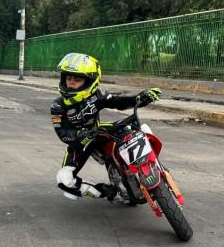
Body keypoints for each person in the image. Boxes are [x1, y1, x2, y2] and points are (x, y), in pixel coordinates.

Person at [51, 53, 162, 200]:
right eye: (68, 78)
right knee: (64, 181)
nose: (71, 82)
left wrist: (140, 98)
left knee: (137, 130)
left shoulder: (98, 95)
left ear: (90, 81)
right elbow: (62, 133)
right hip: (79, 143)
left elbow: (118, 102)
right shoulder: (57, 106)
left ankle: (155, 166)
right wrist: (78, 135)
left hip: (100, 131)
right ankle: (103, 191)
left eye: (77, 79)